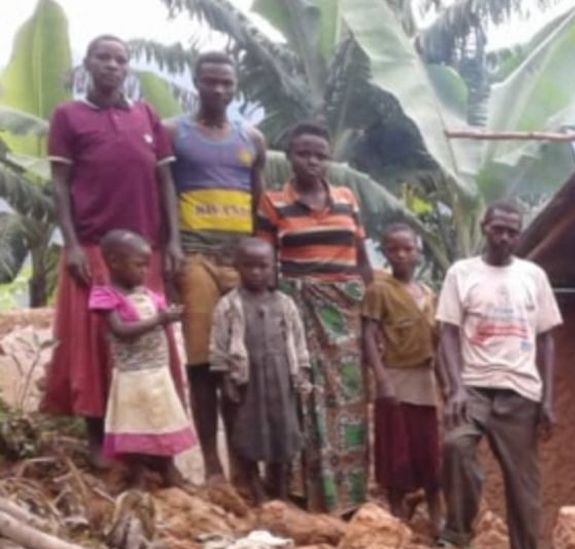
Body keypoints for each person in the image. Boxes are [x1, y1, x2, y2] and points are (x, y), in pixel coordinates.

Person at [42, 35, 180, 465]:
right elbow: (60, 184)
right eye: (103, 57)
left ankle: (155, 444)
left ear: (128, 67)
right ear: (88, 63)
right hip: (93, 248)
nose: (112, 65)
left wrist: (172, 241)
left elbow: (165, 182)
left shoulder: (146, 115)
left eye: (121, 59)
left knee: (150, 341)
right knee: (94, 344)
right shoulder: (68, 116)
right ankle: (98, 438)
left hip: (144, 252)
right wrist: (71, 245)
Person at [437, 202, 562, 549]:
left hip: (521, 391)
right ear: (484, 228)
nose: (504, 237)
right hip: (473, 387)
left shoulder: (533, 276)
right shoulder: (461, 273)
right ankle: (457, 535)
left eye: (512, 231)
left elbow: (547, 339)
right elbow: (448, 332)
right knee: (456, 445)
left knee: (523, 481)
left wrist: (548, 400)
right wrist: (455, 388)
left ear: (519, 235)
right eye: (498, 229)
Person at [256, 122, 373, 513]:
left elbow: (362, 261)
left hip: (344, 315)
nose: (312, 161)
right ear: (290, 156)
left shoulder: (347, 199)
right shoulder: (273, 202)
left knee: (348, 400)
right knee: (302, 394)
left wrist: (368, 309)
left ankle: (349, 495)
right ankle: (300, 492)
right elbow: (265, 265)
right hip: (297, 311)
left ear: (329, 159)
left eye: (320, 155)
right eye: (304, 153)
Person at [166, 50, 266, 481]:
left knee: (243, 365)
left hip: (240, 264)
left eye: (227, 83)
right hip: (196, 258)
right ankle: (211, 463)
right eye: (211, 81)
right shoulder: (174, 133)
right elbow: (163, 191)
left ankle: (245, 463)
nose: (219, 90)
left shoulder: (252, 138)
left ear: (235, 87)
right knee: (203, 365)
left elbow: (257, 203)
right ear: (196, 83)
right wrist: (171, 246)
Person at [89, 230, 195, 488]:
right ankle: (137, 477)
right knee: (134, 425)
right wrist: (159, 319)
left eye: (147, 265)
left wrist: (170, 315)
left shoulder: (148, 294)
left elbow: (160, 317)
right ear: (114, 262)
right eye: (139, 265)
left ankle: (168, 471)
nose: (145, 271)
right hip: (131, 375)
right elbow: (120, 330)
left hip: (157, 371)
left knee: (162, 418)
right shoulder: (106, 296)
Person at [209, 239, 311, 503]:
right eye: (249, 266)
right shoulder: (229, 305)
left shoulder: (285, 303)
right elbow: (219, 347)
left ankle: (281, 490)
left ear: (273, 267)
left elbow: (298, 340)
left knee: (283, 431)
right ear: (237, 266)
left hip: (280, 377)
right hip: (248, 380)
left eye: (263, 266)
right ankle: (256, 490)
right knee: (249, 431)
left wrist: (300, 373)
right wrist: (226, 380)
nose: (256, 272)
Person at [362, 224, 443, 531]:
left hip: (424, 378)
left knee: (428, 448)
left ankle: (435, 510)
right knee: (395, 446)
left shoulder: (428, 294)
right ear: (384, 253)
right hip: (395, 376)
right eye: (393, 249)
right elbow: (368, 336)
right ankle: (396, 510)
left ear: (418, 252)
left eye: (407, 249)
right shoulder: (379, 290)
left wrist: (446, 385)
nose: (401, 255)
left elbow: (439, 341)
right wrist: (382, 379)